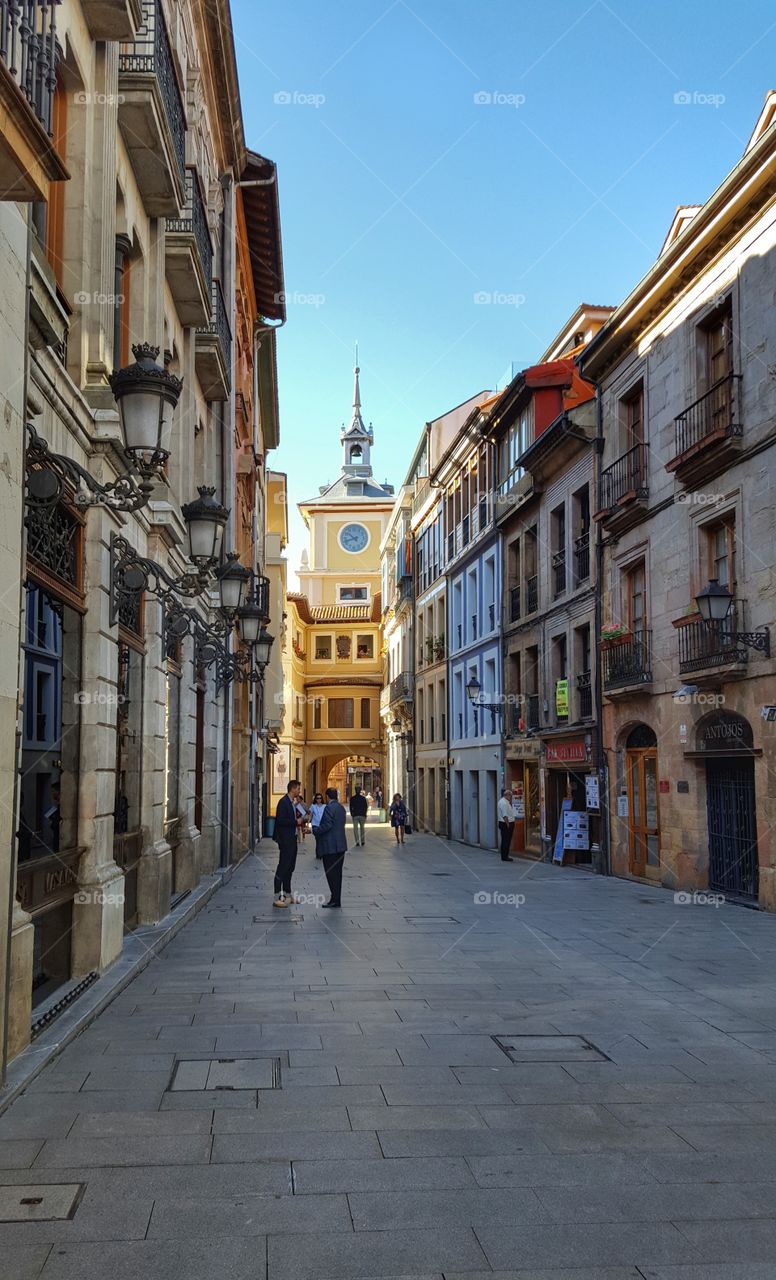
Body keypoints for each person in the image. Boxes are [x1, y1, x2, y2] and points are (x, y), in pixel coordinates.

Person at [315, 786, 347, 908]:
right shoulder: (341, 808)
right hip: (341, 845)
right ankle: (336, 899)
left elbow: (327, 825)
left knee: (331, 873)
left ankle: (334, 899)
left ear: (327, 797)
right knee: (338, 874)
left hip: (330, 846)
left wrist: (315, 830)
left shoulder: (329, 808)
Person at [273, 779, 301, 907]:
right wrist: (296, 822)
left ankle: (287, 895)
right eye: (298, 789)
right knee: (283, 867)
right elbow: (280, 821)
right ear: (293, 789)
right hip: (286, 840)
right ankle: (277, 897)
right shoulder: (283, 802)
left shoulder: (291, 802)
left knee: (290, 868)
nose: (299, 791)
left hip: (292, 839)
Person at [497, 788, 516, 862]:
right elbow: (505, 816)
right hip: (506, 823)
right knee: (506, 840)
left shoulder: (503, 801)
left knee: (505, 840)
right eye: (510, 796)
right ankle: (505, 856)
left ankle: (504, 856)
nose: (511, 797)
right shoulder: (504, 803)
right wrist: (508, 825)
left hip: (505, 823)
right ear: (507, 795)